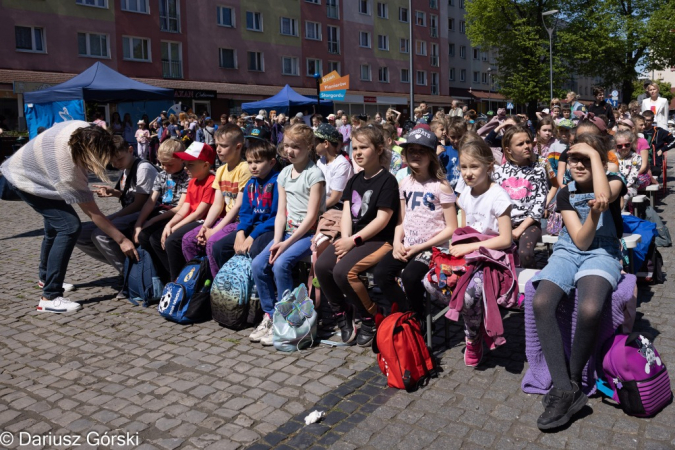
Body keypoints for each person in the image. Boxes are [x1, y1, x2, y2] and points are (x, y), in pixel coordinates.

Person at [530, 133, 626, 430]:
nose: (580, 164)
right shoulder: (565, 193)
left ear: (599, 161)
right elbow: (581, 242)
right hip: (569, 249)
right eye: (575, 158)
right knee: (541, 301)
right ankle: (566, 388)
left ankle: (569, 381)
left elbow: (604, 197)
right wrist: (592, 218)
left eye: (588, 159)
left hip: (604, 252)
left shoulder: (615, 180)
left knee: (589, 309)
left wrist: (596, 156)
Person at [0, 121, 138, 313]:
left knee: (54, 227)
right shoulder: (69, 169)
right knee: (69, 227)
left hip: (37, 173)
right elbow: (92, 213)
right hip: (24, 180)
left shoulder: (84, 127)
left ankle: (46, 277)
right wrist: (121, 240)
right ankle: (50, 296)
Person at [314, 125, 399, 346]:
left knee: (344, 272)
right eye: (355, 148)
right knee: (322, 266)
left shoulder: (388, 181)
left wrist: (352, 241)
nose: (358, 152)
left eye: (364, 147)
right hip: (353, 239)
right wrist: (344, 240)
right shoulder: (354, 179)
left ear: (379, 149)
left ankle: (370, 315)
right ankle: (342, 313)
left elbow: (383, 220)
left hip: (379, 240)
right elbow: (346, 214)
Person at [250, 124, 325, 346]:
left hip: (307, 234)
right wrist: (276, 240)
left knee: (281, 264)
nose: (290, 151)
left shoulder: (314, 175)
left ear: (309, 147)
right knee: (257, 264)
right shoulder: (284, 173)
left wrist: (285, 244)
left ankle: (287, 318)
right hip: (287, 233)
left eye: (296, 147)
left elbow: (311, 218)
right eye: (287, 146)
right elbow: (281, 213)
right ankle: (270, 316)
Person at [374, 126, 457, 316]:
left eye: (421, 151)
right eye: (411, 151)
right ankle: (408, 313)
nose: (416, 155)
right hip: (408, 245)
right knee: (381, 274)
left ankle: (419, 320)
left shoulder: (441, 187)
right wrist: (396, 243)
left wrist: (421, 247)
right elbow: (401, 219)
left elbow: (452, 228)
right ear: (404, 154)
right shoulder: (404, 183)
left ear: (431, 155)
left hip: (433, 249)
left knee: (411, 277)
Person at [451, 136, 513, 366]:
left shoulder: (498, 196)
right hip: (471, 252)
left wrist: (471, 246)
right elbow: (464, 229)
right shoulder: (466, 193)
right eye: (463, 167)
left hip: (494, 257)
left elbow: (506, 239)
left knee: (469, 293)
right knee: (433, 281)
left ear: (489, 166)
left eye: (474, 166)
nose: (467, 173)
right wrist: (457, 243)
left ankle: (472, 336)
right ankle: (475, 322)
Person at [76, 136, 157, 284]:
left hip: (145, 215)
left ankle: (132, 277)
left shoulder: (143, 168)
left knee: (101, 233)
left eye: (119, 159)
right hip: (130, 213)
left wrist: (110, 219)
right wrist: (114, 192)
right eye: (112, 162)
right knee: (78, 232)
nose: (116, 164)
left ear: (130, 150)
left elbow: (140, 204)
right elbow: (130, 195)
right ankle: (125, 264)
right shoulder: (126, 168)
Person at [181, 124, 251, 278]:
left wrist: (214, 231)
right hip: (224, 218)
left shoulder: (244, 168)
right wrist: (205, 227)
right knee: (188, 240)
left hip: (239, 220)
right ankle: (198, 280)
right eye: (217, 144)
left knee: (213, 243)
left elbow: (238, 206)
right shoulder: (220, 170)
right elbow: (218, 204)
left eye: (224, 146)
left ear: (238, 147)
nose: (218, 149)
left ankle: (218, 285)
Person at [212, 138, 279, 275]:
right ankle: (230, 281)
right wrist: (240, 232)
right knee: (219, 247)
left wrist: (251, 236)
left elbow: (276, 217)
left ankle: (257, 287)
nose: (253, 166)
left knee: (253, 250)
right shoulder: (250, 183)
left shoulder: (277, 182)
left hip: (269, 228)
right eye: (250, 162)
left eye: (258, 162)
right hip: (252, 227)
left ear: (271, 162)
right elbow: (245, 213)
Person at [134, 139, 190, 282]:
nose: (164, 167)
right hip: (163, 211)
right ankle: (155, 274)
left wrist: (151, 220)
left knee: (156, 239)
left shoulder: (187, 177)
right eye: (161, 163)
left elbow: (180, 207)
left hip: (178, 213)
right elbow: (150, 202)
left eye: (169, 164)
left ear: (181, 159)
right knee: (142, 236)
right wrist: (139, 224)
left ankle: (173, 276)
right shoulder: (162, 175)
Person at [493, 127, 548, 268]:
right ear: (508, 150)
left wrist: (520, 228)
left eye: (528, 142)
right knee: (499, 254)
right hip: (504, 223)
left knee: (525, 253)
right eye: (520, 144)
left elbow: (539, 204)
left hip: (529, 223)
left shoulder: (538, 170)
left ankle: (531, 281)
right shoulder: (499, 172)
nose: (526, 146)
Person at [161, 142, 217, 281]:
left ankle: (181, 281)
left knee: (172, 240)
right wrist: (169, 225)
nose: (186, 167)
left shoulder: (211, 181)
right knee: (157, 237)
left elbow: (198, 213)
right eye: (185, 163)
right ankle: (168, 277)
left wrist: (175, 227)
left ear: (205, 165)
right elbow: (185, 208)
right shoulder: (192, 181)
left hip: (203, 221)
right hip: (193, 218)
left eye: (190, 164)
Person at [315, 123, 353, 210]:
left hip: (336, 208)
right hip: (321, 204)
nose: (314, 146)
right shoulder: (320, 162)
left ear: (325, 143)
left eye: (316, 142)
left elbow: (334, 198)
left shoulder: (342, 164)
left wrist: (314, 210)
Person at [615, 130, 641, 209]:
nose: (623, 148)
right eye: (620, 146)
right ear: (615, 146)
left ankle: (621, 216)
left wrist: (621, 188)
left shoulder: (636, 157)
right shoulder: (613, 157)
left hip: (629, 187)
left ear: (631, 144)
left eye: (627, 145)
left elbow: (632, 177)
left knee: (624, 196)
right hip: (615, 185)